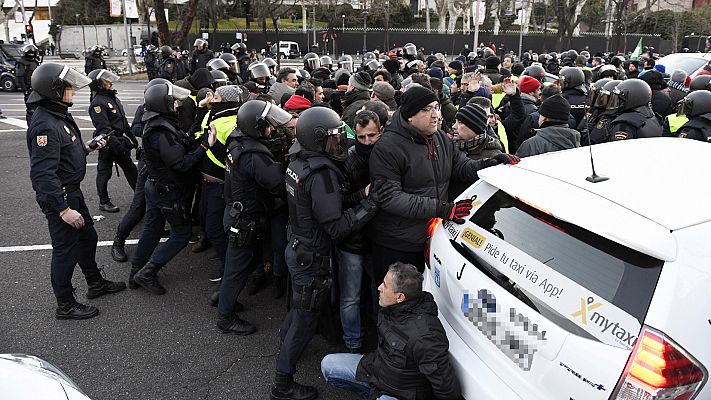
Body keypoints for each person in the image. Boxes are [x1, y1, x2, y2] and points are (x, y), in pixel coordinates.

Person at [272, 107, 389, 400]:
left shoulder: (299, 162)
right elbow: (336, 226)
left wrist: (362, 195)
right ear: (318, 139)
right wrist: (372, 204)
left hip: (298, 246)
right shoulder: (322, 173)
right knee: (305, 318)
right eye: (334, 138)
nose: (340, 143)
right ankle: (282, 383)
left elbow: (328, 206)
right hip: (311, 255)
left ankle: (286, 338)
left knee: (299, 309)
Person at [368, 85, 519, 286]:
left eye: (436, 108)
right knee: (395, 301)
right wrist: (445, 209)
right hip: (398, 243)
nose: (435, 115)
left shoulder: (440, 137)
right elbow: (391, 198)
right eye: (427, 109)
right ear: (409, 115)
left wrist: (489, 163)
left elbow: (461, 166)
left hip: (433, 237)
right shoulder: (388, 147)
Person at [27, 63, 126, 319]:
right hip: (62, 196)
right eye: (67, 86)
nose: (72, 90)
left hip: (72, 192)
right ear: (55, 90)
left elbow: (65, 154)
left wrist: (89, 148)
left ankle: (95, 283)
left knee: (88, 237)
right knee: (65, 251)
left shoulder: (57, 113)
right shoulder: (45, 125)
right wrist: (62, 209)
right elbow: (42, 174)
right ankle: (65, 304)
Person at [321, 262, 461, 400]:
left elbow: (447, 389)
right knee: (328, 366)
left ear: (400, 297)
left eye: (385, 286)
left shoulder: (425, 337)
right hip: (376, 372)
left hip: (400, 393)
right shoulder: (391, 308)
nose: (379, 288)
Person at [216, 99, 292, 335]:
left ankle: (223, 299)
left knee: (235, 264)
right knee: (238, 267)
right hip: (246, 219)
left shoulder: (236, 141)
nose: (272, 130)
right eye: (268, 126)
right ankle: (225, 315)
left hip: (235, 213)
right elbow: (279, 186)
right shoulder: (255, 156)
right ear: (257, 127)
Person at [129, 82, 212, 295]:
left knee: (152, 227)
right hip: (167, 188)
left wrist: (201, 113)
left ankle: (135, 272)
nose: (176, 106)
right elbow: (181, 164)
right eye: (173, 103)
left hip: (155, 185)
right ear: (164, 104)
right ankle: (148, 271)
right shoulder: (160, 131)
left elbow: (183, 138)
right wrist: (204, 146)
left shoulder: (159, 122)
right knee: (181, 234)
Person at [111, 78, 173, 263]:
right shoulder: (144, 110)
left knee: (159, 203)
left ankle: (156, 228)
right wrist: (151, 127)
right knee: (139, 207)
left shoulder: (171, 109)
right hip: (149, 163)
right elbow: (136, 128)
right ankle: (118, 240)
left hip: (164, 163)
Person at [87, 69, 138, 213]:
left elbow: (122, 121)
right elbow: (104, 129)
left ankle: (141, 196)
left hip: (120, 140)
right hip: (108, 144)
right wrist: (117, 147)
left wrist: (133, 139)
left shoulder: (112, 98)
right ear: (98, 85)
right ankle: (103, 201)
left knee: (131, 170)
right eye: (106, 81)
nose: (110, 83)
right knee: (104, 172)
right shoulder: (97, 103)